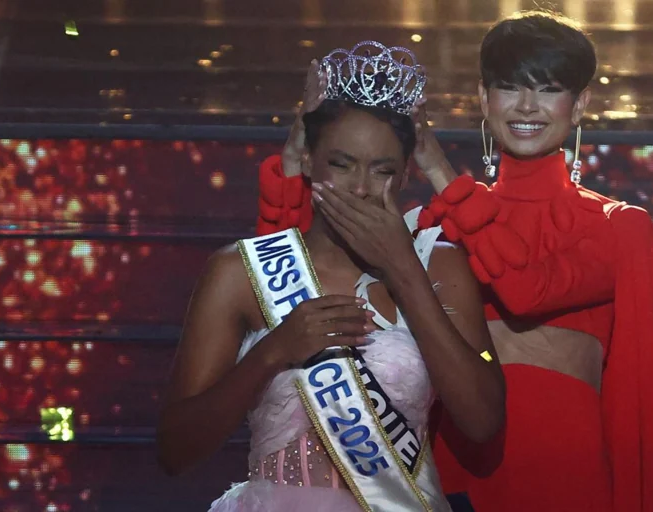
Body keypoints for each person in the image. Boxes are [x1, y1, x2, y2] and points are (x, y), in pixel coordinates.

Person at [254, 11, 653, 512]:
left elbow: (526, 290)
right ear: (484, 98)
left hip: (565, 476)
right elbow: (289, 287)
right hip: (452, 466)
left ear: (580, 103)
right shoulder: (431, 223)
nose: (527, 106)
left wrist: (438, 169)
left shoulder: (616, 226)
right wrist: (294, 161)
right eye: (508, 87)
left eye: (547, 89)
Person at [158, 41, 505, 512]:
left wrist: (404, 273)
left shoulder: (438, 264)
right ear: (307, 161)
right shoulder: (240, 270)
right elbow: (176, 451)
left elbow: (483, 421)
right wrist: (273, 351)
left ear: (405, 175)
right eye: (341, 165)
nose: (360, 188)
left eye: (381, 170)